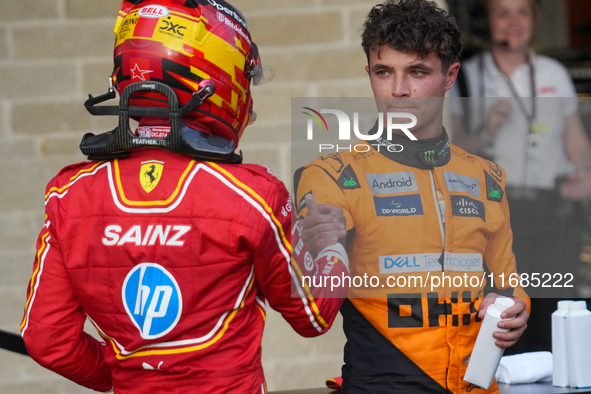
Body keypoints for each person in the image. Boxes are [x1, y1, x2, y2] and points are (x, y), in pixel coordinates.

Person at [20, 1, 349, 393]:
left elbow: (46, 339)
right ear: (218, 75)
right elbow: (312, 316)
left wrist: (127, 378)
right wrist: (333, 247)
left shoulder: (68, 194)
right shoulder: (252, 195)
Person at [294, 0, 530, 392]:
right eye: (384, 72)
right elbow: (319, 255)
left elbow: (507, 283)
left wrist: (516, 310)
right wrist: (320, 244)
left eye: (417, 72)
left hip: (478, 385)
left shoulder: (487, 177)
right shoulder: (332, 175)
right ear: (369, 73)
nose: (398, 91)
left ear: (450, 75)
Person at [449, 0, 591, 354]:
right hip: (499, 212)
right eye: (503, 13)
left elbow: (574, 139)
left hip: (553, 211)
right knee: (506, 315)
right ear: (488, 21)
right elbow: (451, 148)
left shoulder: (553, 72)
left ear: (534, 20)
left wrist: (587, 174)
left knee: (555, 316)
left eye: (522, 12)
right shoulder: (467, 75)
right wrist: (486, 132)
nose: (514, 22)